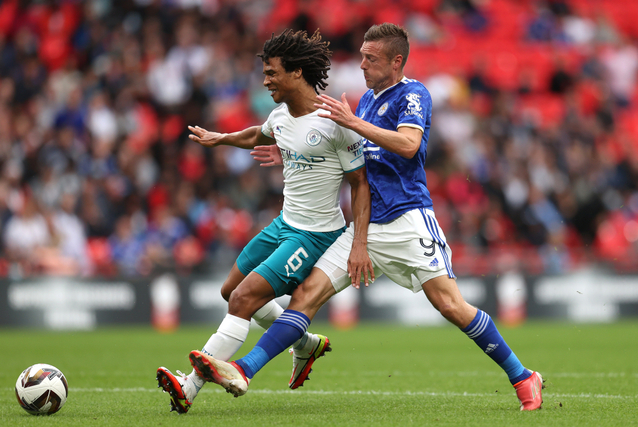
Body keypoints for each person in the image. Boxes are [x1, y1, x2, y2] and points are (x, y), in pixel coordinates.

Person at [188, 23, 544, 411]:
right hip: (366, 223)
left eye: (370, 59)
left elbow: (408, 145)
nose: (361, 65)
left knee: (451, 307)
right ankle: (245, 369)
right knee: (305, 296)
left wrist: (353, 122)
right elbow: (356, 165)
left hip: (407, 220)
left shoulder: (413, 95)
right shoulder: (367, 102)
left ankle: (523, 376)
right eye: (360, 56)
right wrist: (294, 155)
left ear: (396, 61)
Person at [156, 29, 373, 414]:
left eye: (272, 72)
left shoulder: (334, 122)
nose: (266, 80)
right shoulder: (281, 115)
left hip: (314, 235)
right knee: (231, 290)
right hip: (283, 225)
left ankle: (187, 389)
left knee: (243, 300)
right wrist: (219, 138)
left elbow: (359, 183)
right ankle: (304, 343)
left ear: (297, 73)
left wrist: (358, 241)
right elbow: (260, 133)